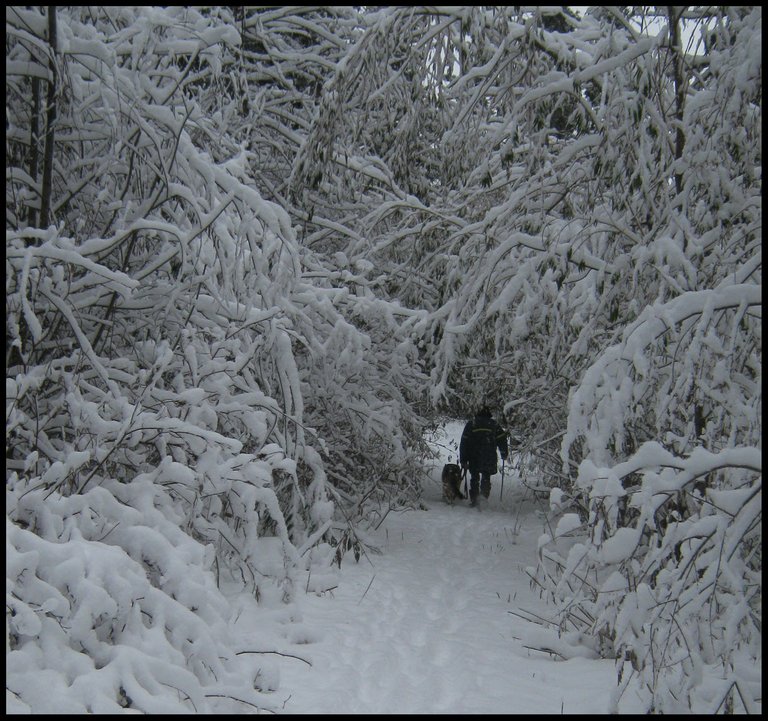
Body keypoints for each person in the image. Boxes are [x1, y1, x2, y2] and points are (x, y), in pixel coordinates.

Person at [459, 406, 508, 507]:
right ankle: (484, 497)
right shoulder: (494, 424)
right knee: (486, 475)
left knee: (474, 477)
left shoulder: (472, 424)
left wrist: (463, 459)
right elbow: (502, 439)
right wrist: (504, 452)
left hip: (474, 455)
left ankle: (475, 499)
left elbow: (464, 442)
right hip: (489, 455)